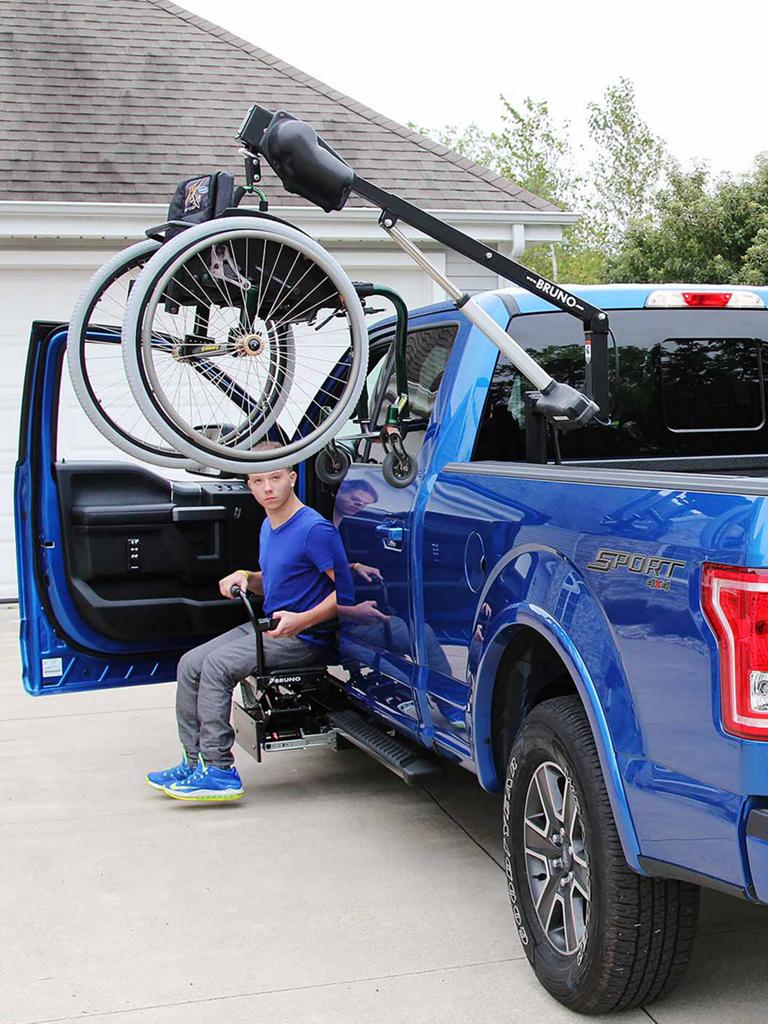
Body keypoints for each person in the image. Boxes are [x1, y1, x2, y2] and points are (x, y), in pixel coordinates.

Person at [146, 460, 354, 802]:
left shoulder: (314, 530)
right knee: (190, 664)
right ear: (249, 485)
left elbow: (347, 592)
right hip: (273, 627)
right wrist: (246, 576)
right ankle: (193, 761)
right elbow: (278, 578)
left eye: (275, 478)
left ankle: (219, 770)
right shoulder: (269, 526)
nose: (268, 488)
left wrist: (303, 620)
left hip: (305, 639)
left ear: (292, 478)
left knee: (217, 666)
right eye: (258, 481)